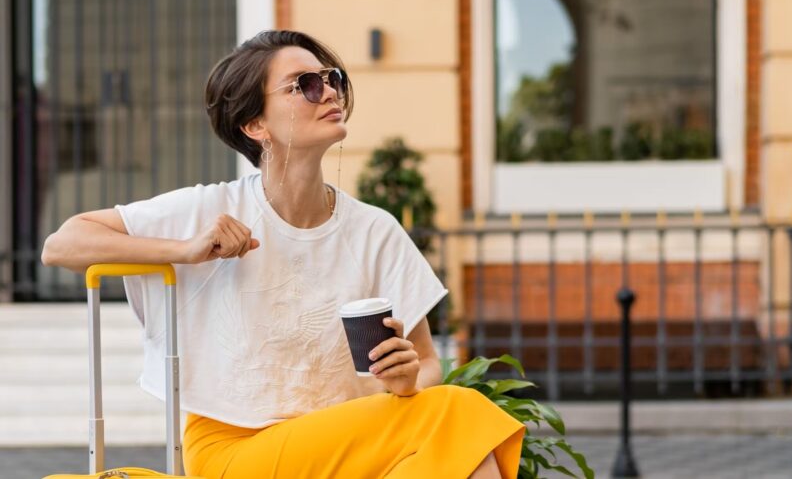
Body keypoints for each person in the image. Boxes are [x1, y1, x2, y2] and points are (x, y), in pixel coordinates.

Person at [41, 29, 524, 479]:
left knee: (454, 440)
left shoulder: (375, 229)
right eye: (305, 85)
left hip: (344, 440)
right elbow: (62, 244)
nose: (329, 91)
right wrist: (184, 251)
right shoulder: (210, 208)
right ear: (255, 124)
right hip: (235, 449)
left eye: (331, 79)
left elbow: (428, 364)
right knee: (462, 416)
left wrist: (405, 378)